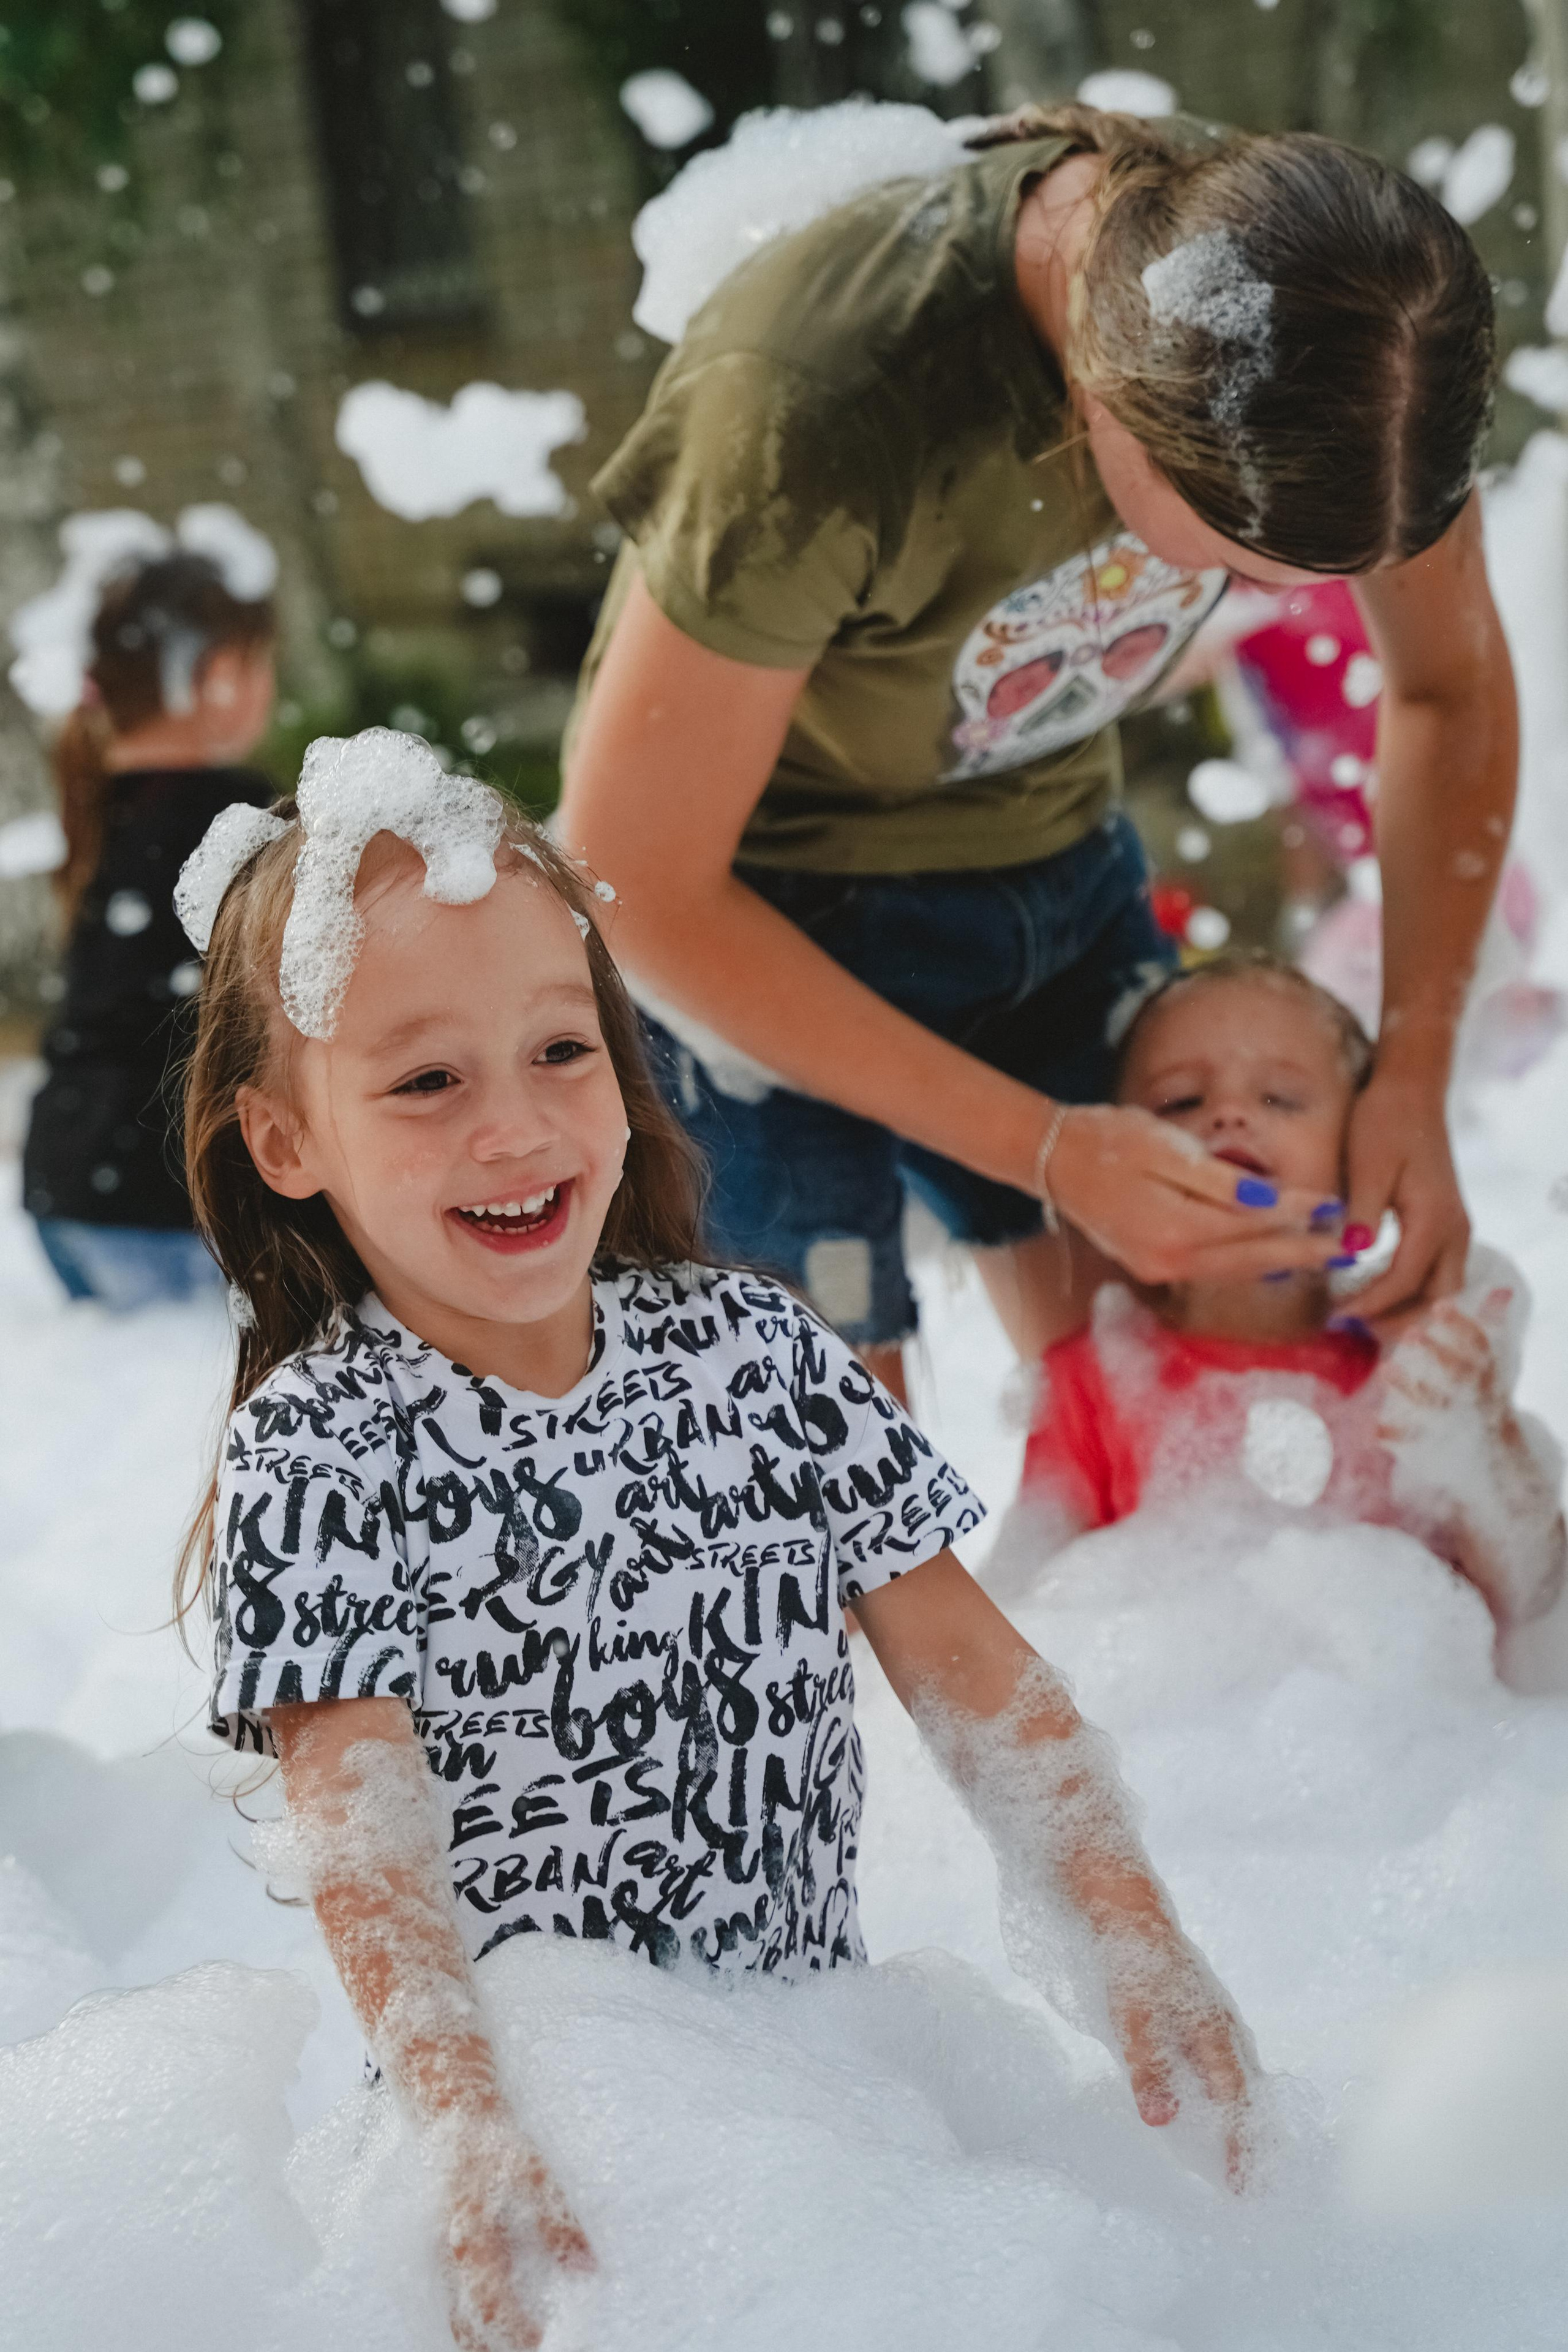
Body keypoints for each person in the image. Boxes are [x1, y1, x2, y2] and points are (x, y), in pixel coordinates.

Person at [175, 733, 1257, 2346]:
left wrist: (1132, 1923)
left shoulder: (754, 1354)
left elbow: (975, 1672)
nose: (517, 1127)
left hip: (821, 2083)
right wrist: (467, 2125)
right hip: (539, 2132)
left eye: (562, 1049)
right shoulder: (320, 1447)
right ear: (286, 1143)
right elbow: (366, 1837)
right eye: (425, 1080)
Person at [558, 100, 1513, 1403]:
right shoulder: (814, 400)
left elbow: (1447, 690)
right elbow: (630, 877)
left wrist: (1410, 1065)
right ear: (1104, 398)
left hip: (1052, 872)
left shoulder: (1345, 333)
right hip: (745, 938)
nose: (1250, 596)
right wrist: (1048, 1148)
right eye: (1231, 565)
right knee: (825, 1481)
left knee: (1190, 1406)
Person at [1011, 954, 1566, 1645]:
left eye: (1280, 1098)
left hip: (1407, 1724)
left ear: (1361, 1154)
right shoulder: (1092, 1384)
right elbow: (1031, 1619)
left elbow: (1536, 1593)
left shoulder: (1415, 1363)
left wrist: (1481, 1443)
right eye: (1181, 1100)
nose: (1229, 1115)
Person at [22, 550, 276, 1309]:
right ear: (222, 675)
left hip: (66, 1193)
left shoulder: (100, 809)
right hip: (166, 1199)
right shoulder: (237, 818)